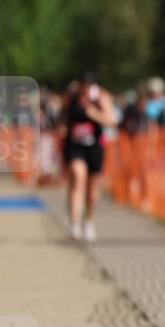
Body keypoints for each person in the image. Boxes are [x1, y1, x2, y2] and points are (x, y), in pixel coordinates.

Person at [62, 73, 116, 241]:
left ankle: (89, 220)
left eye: (89, 86)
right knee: (78, 178)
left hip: (94, 147)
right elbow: (64, 118)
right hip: (75, 146)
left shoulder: (101, 98)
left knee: (92, 189)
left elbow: (112, 121)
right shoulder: (72, 97)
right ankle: (74, 223)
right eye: (83, 86)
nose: (85, 90)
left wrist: (93, 113)